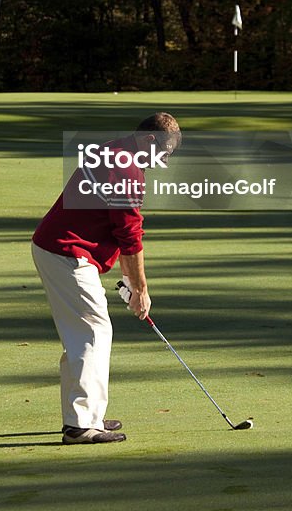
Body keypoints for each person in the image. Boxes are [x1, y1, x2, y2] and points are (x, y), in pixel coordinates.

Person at [31, 111, 182, 445]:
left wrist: (131, 281)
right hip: (66, 253)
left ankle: (87, 416)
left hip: (58, 249)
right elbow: (130, 237)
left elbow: (118, 231)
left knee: (84, 333)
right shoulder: (126, 169)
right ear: (151, 141)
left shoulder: (116, 151)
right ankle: (81, 425)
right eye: (166, 154)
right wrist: (140, 290)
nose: (165, 163)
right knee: (92, 332)